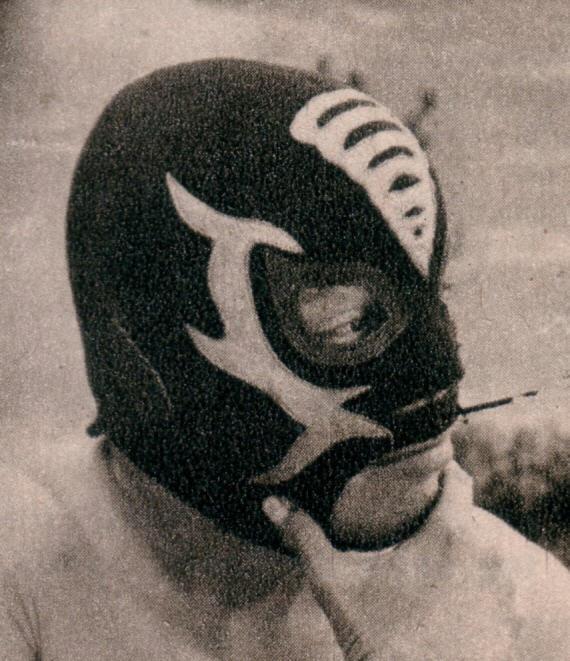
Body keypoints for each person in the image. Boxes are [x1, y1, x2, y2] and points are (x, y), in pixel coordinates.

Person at [1, 59, 568, 660]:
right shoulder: (24, 562)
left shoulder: (530, 609)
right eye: (345, 321)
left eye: (436, 297)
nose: (440, 373)